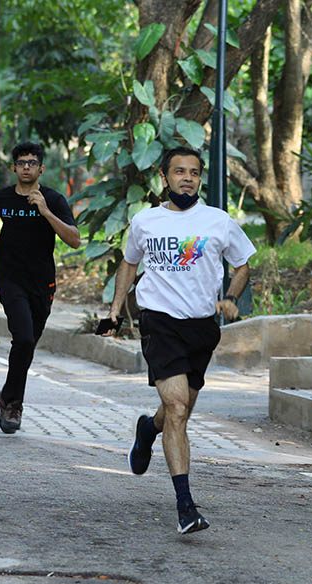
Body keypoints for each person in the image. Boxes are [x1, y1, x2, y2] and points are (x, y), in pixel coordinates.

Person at [99, 146, 256, 535]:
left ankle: (147, 430)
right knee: (178, 406)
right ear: (164, 177)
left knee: (177, 412)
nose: (188, 178)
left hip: (201, 327)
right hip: (159, 322)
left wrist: (231, 297)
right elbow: (128, 263)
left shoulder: (218, 221)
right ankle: (185, 506)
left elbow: (243, 265)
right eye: (180, 171)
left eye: (195, 172)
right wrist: (116, 310)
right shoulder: (145, 221)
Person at [0, 142, 81, 433]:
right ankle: (14, 406)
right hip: (10, 279)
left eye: (31, 163)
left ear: (41, 168)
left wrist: (46, 212)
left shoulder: (54, 199)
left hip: (42, 283)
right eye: (21, 162)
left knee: (27, 345)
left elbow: (74, 239)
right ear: (13, 168)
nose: (26, 167)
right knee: (22, 339)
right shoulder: (2, 198)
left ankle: (7, 395)